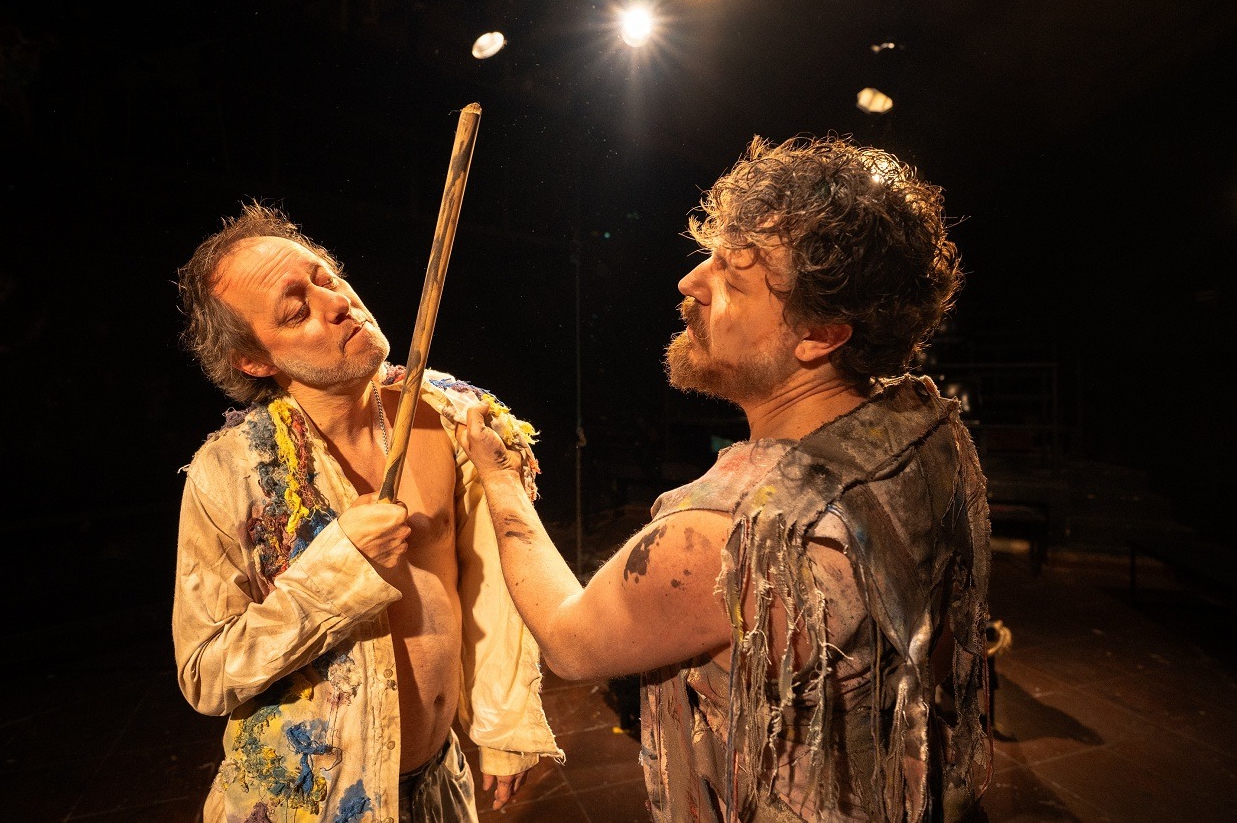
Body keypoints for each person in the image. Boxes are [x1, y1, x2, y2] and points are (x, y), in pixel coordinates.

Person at [459, 135, 992, 822]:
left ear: (821, 335)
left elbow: (568, 640)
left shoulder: (724, 539)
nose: (690, 283)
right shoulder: (926, 430)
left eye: (732, 282)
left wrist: (500, 479)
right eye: (710, 256)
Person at [171, 201, 562, 823]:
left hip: (437, 789)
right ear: (255, 360)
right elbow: (206, 674)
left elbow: (489, 583)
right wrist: (338, 568)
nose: (336, 303)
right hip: (304, 803)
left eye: (326, 278)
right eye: (296, 311)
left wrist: (502, 722)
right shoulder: (230, 473)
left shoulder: (452, 418)